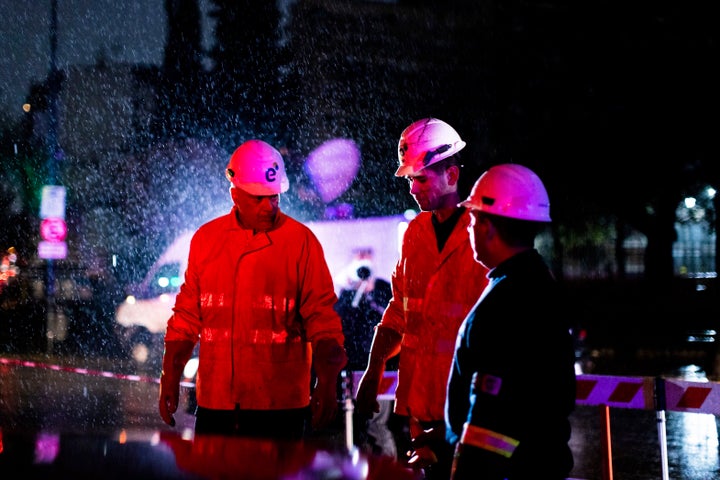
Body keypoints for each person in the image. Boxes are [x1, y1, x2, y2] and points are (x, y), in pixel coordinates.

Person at [158, 139, 348, 440]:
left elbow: (323, 322)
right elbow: (186, 319)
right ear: (234, 194)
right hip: (216, 405)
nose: (268, 206)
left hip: (281, 410)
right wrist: (170, 376)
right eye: (257, 198)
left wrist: (326, 382)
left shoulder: (301, 243)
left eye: (273, 197)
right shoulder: (206, 241)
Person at [355, 118, 489, 479]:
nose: (413, 189)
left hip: (470, 412)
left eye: (421, 178)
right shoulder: (413, 235)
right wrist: (373, 370)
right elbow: (399, 313)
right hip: (420, 410)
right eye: (411, 180)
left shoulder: (485, 236)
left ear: (452, 174)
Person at [444, 164, 576, 479]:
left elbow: (491, 423)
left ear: (488, 226)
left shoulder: (503, 303)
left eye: (473, 218)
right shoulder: (540, 284)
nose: (469, 227)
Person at [334, 261, 396, 457]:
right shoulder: (348, 298)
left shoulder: (382, 294)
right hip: (354, 368)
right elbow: (339, 318)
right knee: (356, 426)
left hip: (380, 370)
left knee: (376, 425)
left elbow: (390, 323)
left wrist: (370, 295)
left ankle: (387, 469)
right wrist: (349, 290)